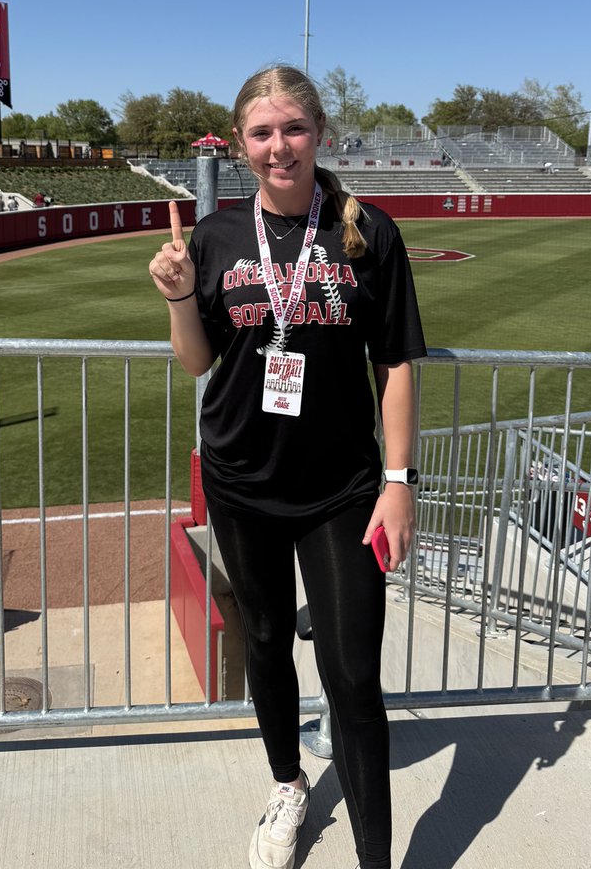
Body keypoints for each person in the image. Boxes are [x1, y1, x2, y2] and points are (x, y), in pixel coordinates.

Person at [148, 64, 426, 869]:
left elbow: (398, 363)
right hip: (240, 482)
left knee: (352, 679)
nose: (280, 147)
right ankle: (287, 784)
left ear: (320, 135)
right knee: (267, 643)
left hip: (343, 492)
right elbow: (198, 362)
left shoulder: (368, 231)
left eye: (294, 129)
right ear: (241, 144)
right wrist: (173, 296)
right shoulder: (217, 238)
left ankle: (377, 859)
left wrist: (399, 484)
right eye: (263, 133)